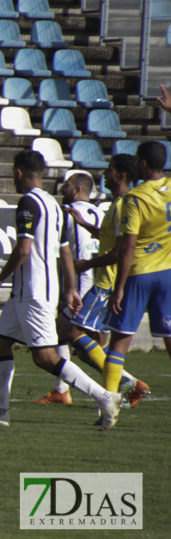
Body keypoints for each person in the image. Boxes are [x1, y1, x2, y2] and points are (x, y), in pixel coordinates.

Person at [0, 150, 121, 430]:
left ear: (18, 173)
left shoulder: (28, 202)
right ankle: (0, 412)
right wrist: (71, 289)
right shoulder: (54, 204)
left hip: (33, 292)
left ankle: (104, 397)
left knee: (45, 357)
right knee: (1, 343)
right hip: (30, 293)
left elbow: (24, 249)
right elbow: (64, 251)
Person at [49, 157, 149, 409]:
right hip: (105, 282)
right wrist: (85, 225)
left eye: (110, 171)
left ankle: (129, 384)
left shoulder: (125, 204)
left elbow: (120, 250)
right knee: (87, 347)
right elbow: (109, 238)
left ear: (122, 175)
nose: (104, 175)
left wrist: (86, 265)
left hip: (106, 283)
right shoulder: (114, 204)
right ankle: (124, 387)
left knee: (66, 330)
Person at [101, 141, 171, 428]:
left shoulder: (135, 198)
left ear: (141, 164)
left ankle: (107, 409)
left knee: (119, 341)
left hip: (139, 273)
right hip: (167, 273)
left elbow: (127, 246)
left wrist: (118, 287)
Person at [33, 171, 104, 404]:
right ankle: (63, 390)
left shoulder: (71, 214)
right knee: (79, 341)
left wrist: (74, 291)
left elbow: (81, 254)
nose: (62, 188)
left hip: (86, 288)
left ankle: (124, 382)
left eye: (67, 184)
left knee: (62, 334)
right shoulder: (99, 212)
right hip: (102, 286)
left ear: (77, 190)